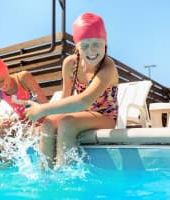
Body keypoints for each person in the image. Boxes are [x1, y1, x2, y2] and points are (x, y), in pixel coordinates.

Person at [21, 12, 119, 168]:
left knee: (68, 123)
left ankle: (63, 175)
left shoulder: (108, 67)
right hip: (83, 113)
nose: (91, 51)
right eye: (84, 45)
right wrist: (46, 119)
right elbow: (66, 97)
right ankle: (44, 173)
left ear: (105, 42)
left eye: (96, 44)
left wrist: (41, 109)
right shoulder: (70, 64)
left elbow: (83, 100)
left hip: (105, 116)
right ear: (77, 46)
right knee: (47, 124)